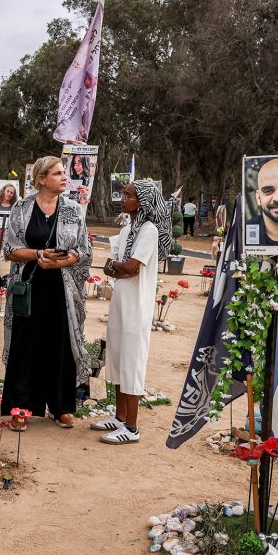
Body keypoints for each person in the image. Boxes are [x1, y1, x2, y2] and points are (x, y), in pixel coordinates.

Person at [1, 156, 92, 428]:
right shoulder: (22, 207)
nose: (64, 177)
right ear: (41, 179)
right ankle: (21, 408)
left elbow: (84, 249)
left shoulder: (73, 209)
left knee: (60, 346)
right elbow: (10, 250)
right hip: (29, 288)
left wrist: (63, 261)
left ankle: (61, 406)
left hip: (63, 291)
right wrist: (39, 254)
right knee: (26, 347)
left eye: (64, 173)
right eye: (57, 173)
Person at [93, 180, 171, 444]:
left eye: (128, 195)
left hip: (137, 305)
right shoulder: (127, 228)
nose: (122, 198)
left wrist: (117, 266)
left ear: (143, 202)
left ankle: (133, 427)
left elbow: (131, 267)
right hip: (119, 301)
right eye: (123, 193)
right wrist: (118, 265)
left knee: (132, 361)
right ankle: (119, 417)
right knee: (115, 357)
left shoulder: (148, 230)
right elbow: (110, 267)